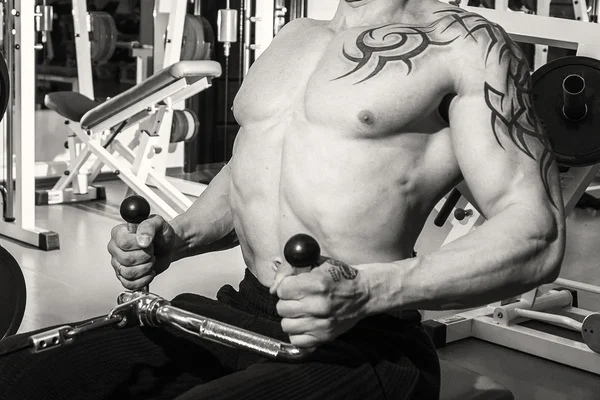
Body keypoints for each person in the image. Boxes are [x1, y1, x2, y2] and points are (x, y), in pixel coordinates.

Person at [0, 0, 566, 399]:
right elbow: (252, 171)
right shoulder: (296, 35)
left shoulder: (466, 44)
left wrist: (370, 289)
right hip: (241, 311)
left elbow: (534, 233)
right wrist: (175, 238)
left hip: (363, 339)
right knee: (24, 375)